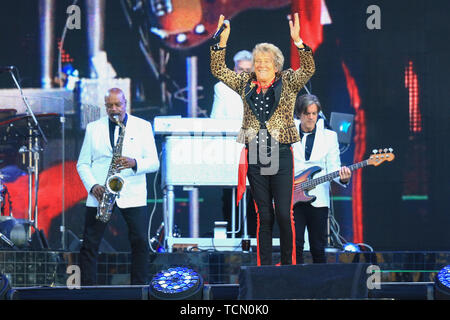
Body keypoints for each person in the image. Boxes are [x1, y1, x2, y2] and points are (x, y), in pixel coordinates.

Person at [210, 13, 315, 265]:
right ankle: (264, 268)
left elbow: (309, 68)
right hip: (255, 151)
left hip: (280, 151)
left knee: (283, 213)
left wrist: (298, 41)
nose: (261, 65)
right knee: (263, 215)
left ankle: (289, 266)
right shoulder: (245, 82)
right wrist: (220, 43)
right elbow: (218, 69)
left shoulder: (288, 81)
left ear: (277, 65)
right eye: (258, 61)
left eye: (266, 62)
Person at [77, 88, 160, 285]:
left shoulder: (143, 126)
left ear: (125, 104)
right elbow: (82, 163)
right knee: (90, 243)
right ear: (105, 106)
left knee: (140, 242)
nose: (114, 109)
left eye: (118, 104)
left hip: (133, 193)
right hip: (100, 193)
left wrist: (134, 163)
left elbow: (154, 162)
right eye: (109, 105)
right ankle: (87, 289)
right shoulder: (93, 128)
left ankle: (139, 287)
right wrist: (93, 185)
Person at [292, 94, 351, 264]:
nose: (311, 118)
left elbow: (334, 168)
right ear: (299, 114)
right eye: (307, 113)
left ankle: (320, 287)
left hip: (318, 199)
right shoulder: (286, 132)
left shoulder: (329, 136)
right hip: (292, 197)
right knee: (294, 245)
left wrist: (344, 179)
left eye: (314, 113)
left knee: (318, 246)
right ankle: (293, 284)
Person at [210, 50, 252, 120]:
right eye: (241, 69)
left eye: (248, 70)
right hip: (230, 129)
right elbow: (215, 118)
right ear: (235, 70)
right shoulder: (222, 88)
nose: (244, 73)